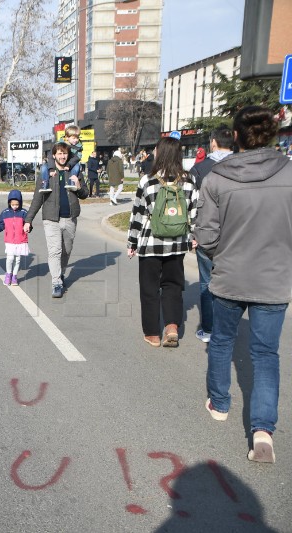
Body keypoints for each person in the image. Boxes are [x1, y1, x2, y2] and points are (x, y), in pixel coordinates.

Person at [195, 106, 292, 463]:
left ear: (234, 136)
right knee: (266, 355)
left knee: (221, 341)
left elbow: (205, 236)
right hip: (274, 279)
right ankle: (263, 431)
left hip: (229, 276)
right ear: (273, 134)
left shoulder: (216, 178)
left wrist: (223, 252)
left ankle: (219, 403)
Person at [127, 133, 197, 348]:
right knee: (173, 286)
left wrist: (132, 243)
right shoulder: (189, 180)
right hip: (177, 244)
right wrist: (193, 237)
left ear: (160, 153)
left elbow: (137, 214)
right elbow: (194, 211)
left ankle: (152, 334)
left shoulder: (147, 180)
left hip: (151, 244)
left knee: (149, 289)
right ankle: (172, 326)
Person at [188, 126, 234, 343]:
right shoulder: (242, 165)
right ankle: (227, 329)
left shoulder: (200, 169)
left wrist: (193, 233)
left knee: (207, 282)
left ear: (213, 142)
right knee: (230, 284)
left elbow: (192, 204)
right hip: (236, 235)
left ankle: (208, 329)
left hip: (207, 234)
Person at [24, 142, 89, 298]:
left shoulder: (73, 171)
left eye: (64, 153)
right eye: (59, 153)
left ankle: (61, 273)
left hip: (70, 218)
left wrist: (79, 186)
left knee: (66, 250)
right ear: (54, 155)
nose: (62, 156)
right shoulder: (47, 173)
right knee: (55, 251)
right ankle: (56, 282)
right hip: (51, 219)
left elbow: (85, 194)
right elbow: (37, 198)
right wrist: (29, 219)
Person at [0, 189, 29, 285]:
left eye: (17, 204)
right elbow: (1, 225)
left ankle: (14, 276)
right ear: (9, 203)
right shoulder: (5, 213)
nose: (15, 207)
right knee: (10, 258)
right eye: (13, 204)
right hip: (9, 240)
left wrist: (28, 228)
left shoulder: (24, 212)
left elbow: (28, 224)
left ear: (20, 203)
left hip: (21, 240)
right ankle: (8, 274)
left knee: (18, 259)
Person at [40, 124, 84, 194]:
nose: (76, 140)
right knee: (44, 167)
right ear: (67, 137)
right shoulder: (58, 145)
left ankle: (72, 183)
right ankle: (45, 184)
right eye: (73, 138)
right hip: (55, 166)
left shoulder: (78, 147)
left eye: (77, 138)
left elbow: (77, 158)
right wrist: (51, 169)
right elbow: (50, 156)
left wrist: (69, 165)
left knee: (77, 166)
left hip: (70, 164)